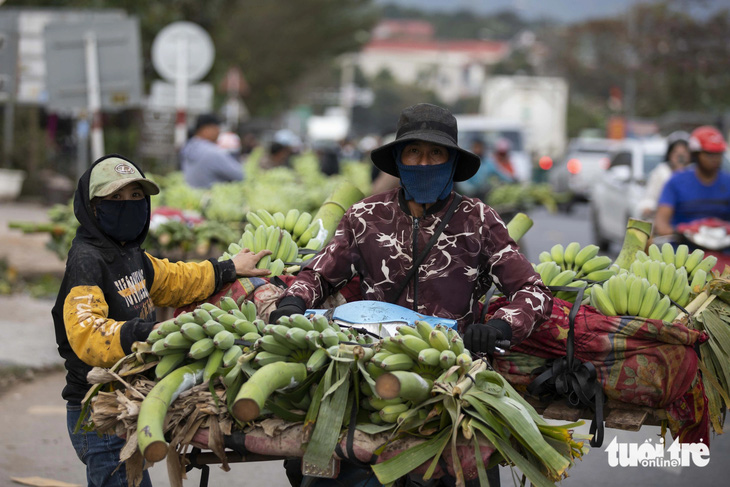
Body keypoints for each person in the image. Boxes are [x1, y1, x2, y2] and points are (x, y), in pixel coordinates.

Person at [270, 103, 553, 487]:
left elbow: (532, 292)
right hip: (370, 372)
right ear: (399, 161)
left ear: (452, 161)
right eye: (414, 152)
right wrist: (293, 301)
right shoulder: (364, 216)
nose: (424, 163)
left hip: (455, 378)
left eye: (436, 153)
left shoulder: (479, 220)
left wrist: (501, 327)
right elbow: (319, 273)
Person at [52, 154, 272, 486]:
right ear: (92, 207)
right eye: (115, 198)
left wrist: (227, 268)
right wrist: (153, 333)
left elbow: (173, 279)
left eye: (136, 197)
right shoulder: (87, 260)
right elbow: (88, 333)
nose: (127, 205)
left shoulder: (130, 254)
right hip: (100, 409)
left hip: (129, 398)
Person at [654, 125, 730, 236]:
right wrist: (680, 231)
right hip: (685, 248)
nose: (715, 159)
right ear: (696, 154)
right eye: (709, 154)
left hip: (723, 248)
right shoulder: (676, 182)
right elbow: (661, 223)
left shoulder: (727, 182)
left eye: (718, 154)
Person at [180, 113, 244, 188]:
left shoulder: (187, 147)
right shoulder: (211, 152)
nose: (219, 132)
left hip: (193, 197)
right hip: (211, 196)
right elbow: (241, 176)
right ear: (206, 129)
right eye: (216, 128)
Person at [637, 131, 691, 219]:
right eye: (676, 152)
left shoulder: (695, 173)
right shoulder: (661, 172)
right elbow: (650, 198)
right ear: (669, 154)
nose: (680, 157)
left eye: (684, 153)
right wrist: (648, 208)